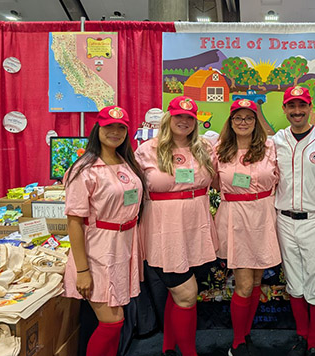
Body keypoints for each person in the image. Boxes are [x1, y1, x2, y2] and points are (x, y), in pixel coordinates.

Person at [135, 95, 217, 356]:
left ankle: (169, 346)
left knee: (177, 294)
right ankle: (189, 352)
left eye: (190, 117)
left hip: (196, 228)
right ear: (169, 118)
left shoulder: (204, 147)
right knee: (186, 294)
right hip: (163, 230)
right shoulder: (147, 149)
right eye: (179, 116)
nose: (184, 121)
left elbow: (220, 178)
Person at [63, 105, 146, 356]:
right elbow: (74, 222)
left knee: (116, 321)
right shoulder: (84, 169)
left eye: (121, 127)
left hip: (123, 247)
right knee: (112, 322)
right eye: (110, 125)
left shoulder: (126, 162)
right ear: (98, 127)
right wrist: (82, 271)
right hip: (98, 251)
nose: (116, 131)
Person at [214, 99, 281, 356]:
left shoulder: (269, 147)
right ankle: (237, 342)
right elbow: (209, 181)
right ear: (230, 122)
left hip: (263, 214)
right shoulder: (219, 149)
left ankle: (246, 332)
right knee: (242, 284)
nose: (243, 123)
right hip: (235, 218)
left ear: (256, 121)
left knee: (255, 281)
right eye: (238, 118)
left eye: (248, 118)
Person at [272, 86, 315, 356]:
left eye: (302, 106)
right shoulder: (276, 140)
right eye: (291, 106)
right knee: (294, 284)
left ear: (310, 108)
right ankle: (301, 336)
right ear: (284, 109)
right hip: (284, 219)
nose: (297, 111)